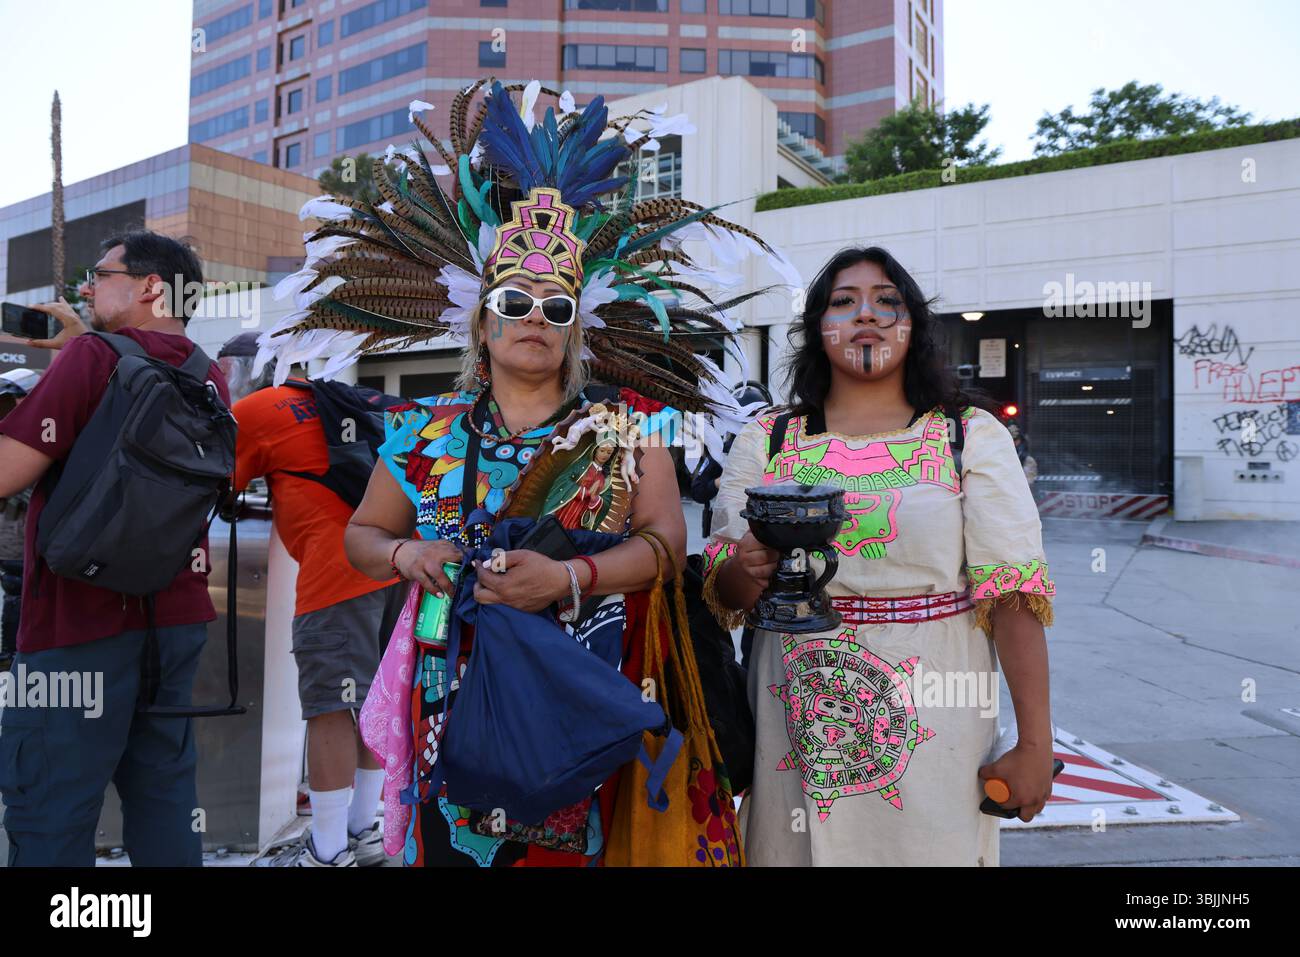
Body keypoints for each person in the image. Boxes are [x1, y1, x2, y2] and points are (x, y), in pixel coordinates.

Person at [257, 78, 792, 866]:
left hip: (582, 693)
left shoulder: (627, 422)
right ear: (482, 318)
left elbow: (667, 544)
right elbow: (364, 534)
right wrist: (409, 555)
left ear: (579, 326)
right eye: (514, 302)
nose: (535, 318)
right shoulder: (423, 430)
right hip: (446, 691)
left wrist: (569, 577)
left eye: (556, 305)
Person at [703, 246, 1057, 866]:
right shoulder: (769, 439)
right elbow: (727, 594)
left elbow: (1012, 597)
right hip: (793, 721)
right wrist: (742, 570)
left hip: (938, 718)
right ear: (819, 328)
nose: (866, 314)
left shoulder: (967, 434)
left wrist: (1034, 743)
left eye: (887, 302)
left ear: (913, 326)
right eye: (844, 302)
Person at [0, 231, 229, 866]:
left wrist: (77, 353)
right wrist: (82, 342)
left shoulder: (92, 358)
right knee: (163, 796)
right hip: (175, 620)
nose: (87, 288)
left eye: (100, 275)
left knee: (49, 800)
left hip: (76, 622)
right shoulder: (207, 375)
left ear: (151, 286)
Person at [218, 332, 404, 867]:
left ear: (249, 369)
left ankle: (326, 852)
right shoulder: (341, 400)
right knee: (372, 704)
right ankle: (362, 830)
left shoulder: (258, 409)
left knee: (329, 709)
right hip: (394, 568)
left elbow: (217, 483)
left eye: (228, 371)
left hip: (336, 576)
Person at [0, 369, 42, 670]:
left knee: (18, 591)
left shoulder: (35, 436)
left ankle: (15, 654)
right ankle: (12, 652)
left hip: (24, 536)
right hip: (12, 535)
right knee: (15, 590)